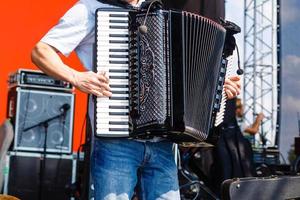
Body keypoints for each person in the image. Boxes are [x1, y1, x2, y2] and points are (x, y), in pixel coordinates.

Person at [31, 0, 241, 199]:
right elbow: (41, 51)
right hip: (116, 143)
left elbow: (183, 74)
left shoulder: (158, 13)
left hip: (163, 145)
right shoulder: (90, 9)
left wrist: (218, 88)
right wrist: (76, 77)